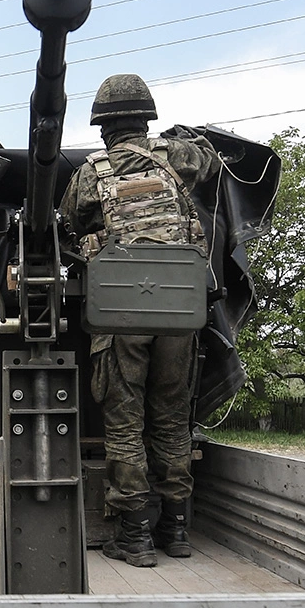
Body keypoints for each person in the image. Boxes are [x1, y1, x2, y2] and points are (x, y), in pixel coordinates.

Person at [59, 73, 221, 567]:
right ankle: (175, 529)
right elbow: (212, 160)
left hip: (121, 312)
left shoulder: (91, 172)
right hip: (179, 310)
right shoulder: (180, 159)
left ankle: (134, 536)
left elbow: (67, 224)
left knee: (125, 422)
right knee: (172, 418)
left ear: (104, 127)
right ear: (146, 117)